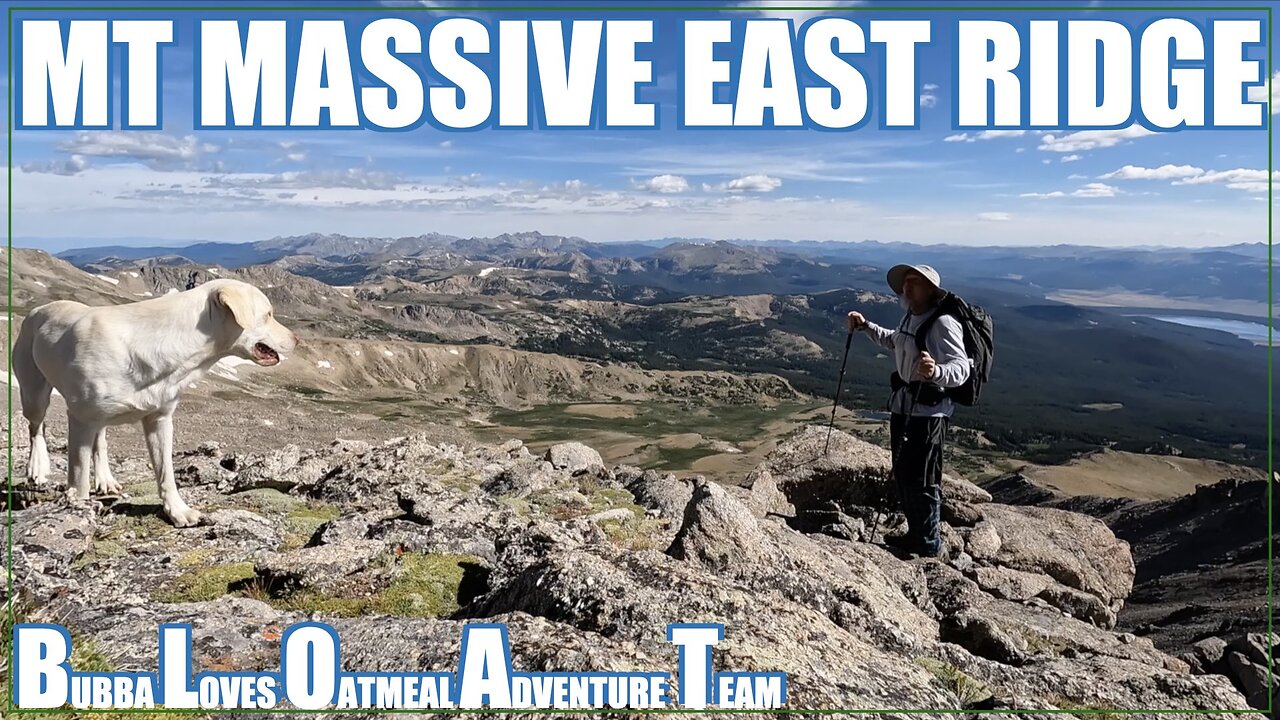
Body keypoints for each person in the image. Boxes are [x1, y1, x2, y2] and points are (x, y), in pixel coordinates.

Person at [846, 264, 971, 558]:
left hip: (929, 414)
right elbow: (895, 341)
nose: (907, 287)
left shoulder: (942, 324)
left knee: (923, 479)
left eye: (915, 283)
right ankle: (917, 534)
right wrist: (866, 326)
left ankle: (929, 546)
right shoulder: (911, 317)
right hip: (904, 407)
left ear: (931, 290)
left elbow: (962, 367)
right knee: (904, 473)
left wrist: (936, 372)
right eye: (906, 283)